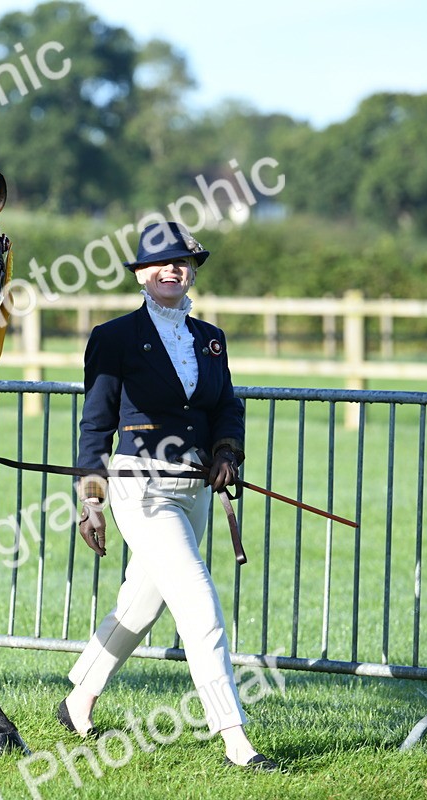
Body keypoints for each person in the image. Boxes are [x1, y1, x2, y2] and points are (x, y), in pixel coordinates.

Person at [58, 221, 280, 771]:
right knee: (199, 604)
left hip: (196, 488)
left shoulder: (210, 338)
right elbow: (94, 426)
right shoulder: (112, 338)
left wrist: (227, 450)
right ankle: (236, 739)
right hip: (142, 488)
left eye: (184, 262)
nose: (173, 270)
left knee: (143, 600)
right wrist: (91, 498)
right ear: (140, 273)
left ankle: (79, 697)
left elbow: (226, 403)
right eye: (161, 262)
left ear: (192, 273)